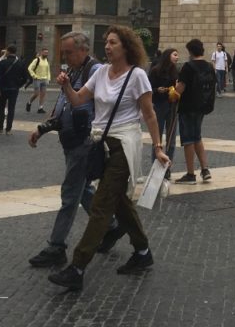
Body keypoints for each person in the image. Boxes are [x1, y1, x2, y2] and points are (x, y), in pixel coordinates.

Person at [47, 26, 170, 291]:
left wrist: (158, 147)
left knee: (102, 204)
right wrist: (67, 86)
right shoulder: (101, 72)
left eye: (113, 42)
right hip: (100, 144)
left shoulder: (137, 76)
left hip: (123, 145)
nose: (108, 46)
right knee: (119, 202)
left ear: (126, 47)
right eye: (106, 42)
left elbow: (149, 114)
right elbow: (79, 100)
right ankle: (142, 251)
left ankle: (78, 266)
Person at [28, 31, 110, 268]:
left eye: (69, 52)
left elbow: (85, 103)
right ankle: (111, 225)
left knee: (70, 194)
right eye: (63, 52)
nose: (65, 57)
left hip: (84, 141)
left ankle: (57, 246)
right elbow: (63, 106)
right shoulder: (74, 70)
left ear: (84, 49)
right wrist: (44, 128)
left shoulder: (94, 71)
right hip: (70, 138)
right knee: (83, 190)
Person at [174, 38, 216, 184]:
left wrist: (172, 89)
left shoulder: (188, 67)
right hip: (202, 107)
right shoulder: (209, 66)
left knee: (188, 140)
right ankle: (205, 170)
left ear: (190, 51)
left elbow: (180, 89)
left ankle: (190, 174)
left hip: (187, 107)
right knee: (197, 137)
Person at [147, 47, 179, 167]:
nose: (177, 57)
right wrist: (157, 90)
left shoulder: (176, 71)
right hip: (159, 105)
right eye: (175, 55)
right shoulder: (155, 71)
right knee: (157, 138)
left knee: (171, 138)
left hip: (172, 105)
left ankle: (167, 167)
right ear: (168, 56)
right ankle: (156, 165)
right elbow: (148, 88)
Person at [0, 46, 28, 134]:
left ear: (8, 52)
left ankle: (0, 128)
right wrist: (19, 85)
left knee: (1, 107)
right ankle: (8, 129)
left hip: (3, 88)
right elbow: (25, 78)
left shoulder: (2, 62)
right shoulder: (20, 63)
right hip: (14, 89)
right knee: (11, 108)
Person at [26, 48, 51, 114]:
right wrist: (34, 76)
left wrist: (48, 78)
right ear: (41, 52)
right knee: (36, 94)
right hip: (37, 79)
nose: (46, 54)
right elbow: (30, 68)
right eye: (45, 52)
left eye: (47, 53)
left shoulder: (46, 60)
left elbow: (48, 70)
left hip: (44, 79)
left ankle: (40, 108)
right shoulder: (37, 60)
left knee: (43, 94)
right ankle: (29, 102)